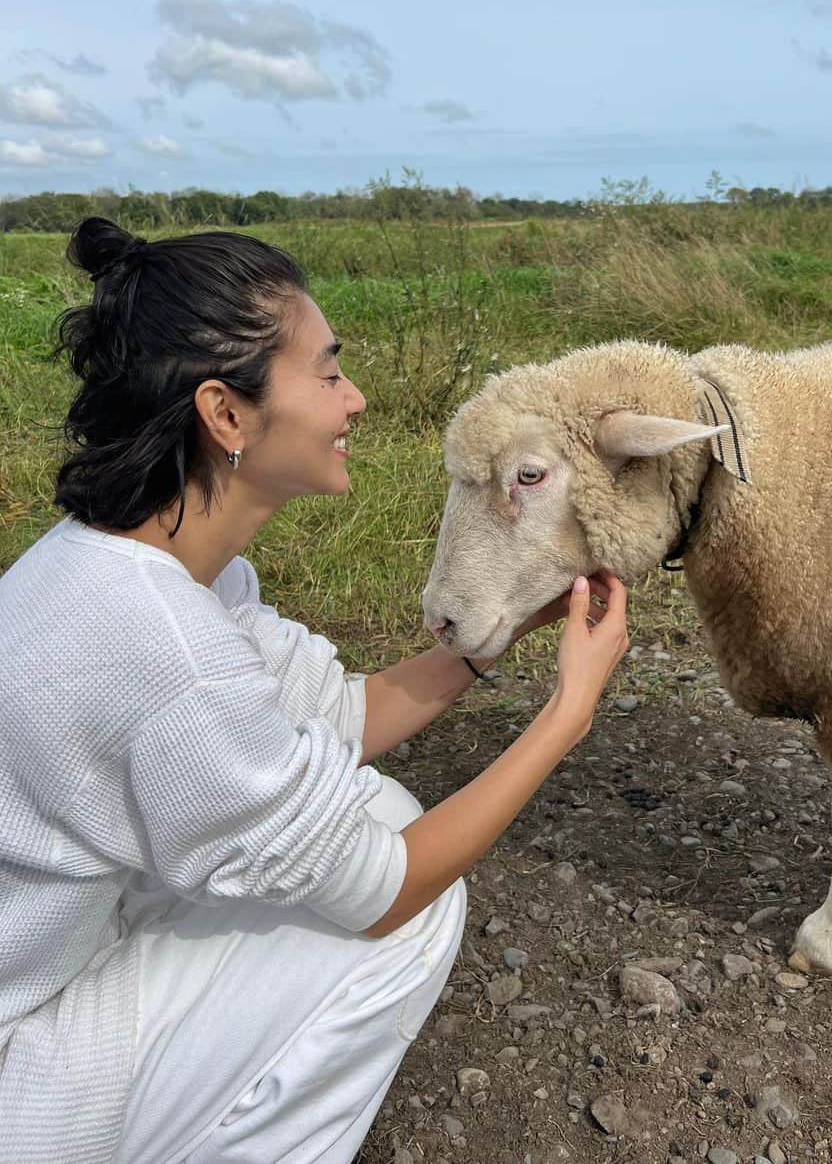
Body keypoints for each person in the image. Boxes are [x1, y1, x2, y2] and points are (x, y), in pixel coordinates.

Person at [0, 218, 628, 1164]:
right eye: (328, 373)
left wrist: (490, 645)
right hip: (20, 1076)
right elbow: (381, 894)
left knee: (369, 803)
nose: (357, 399)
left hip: (53, 960)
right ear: (227, 415)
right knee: (406, 913)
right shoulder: (165, 654)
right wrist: (567, 712)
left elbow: (336, 717)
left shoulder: (140, 567)